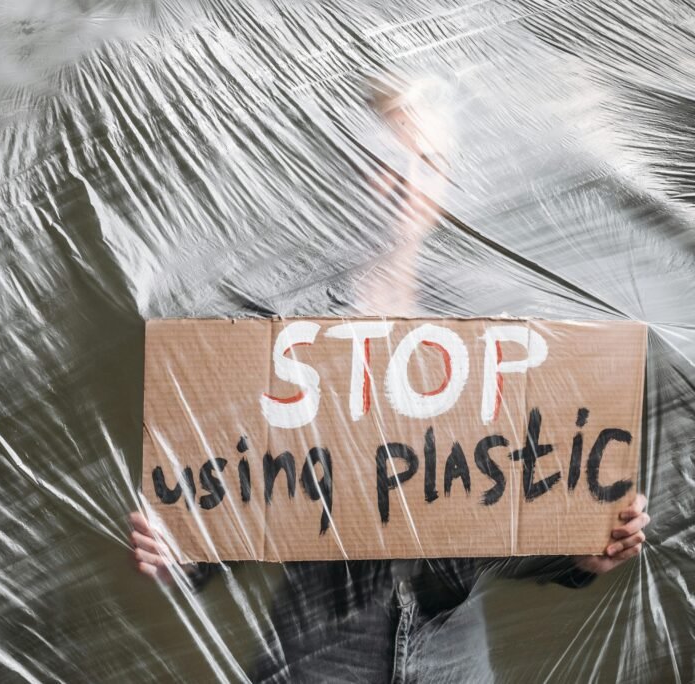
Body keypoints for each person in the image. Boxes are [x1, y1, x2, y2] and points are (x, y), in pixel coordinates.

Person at [128, 70, 653, 683]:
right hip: (319, 657)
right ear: (352, 169)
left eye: (427, 161)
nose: (405, 182)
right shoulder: (286, 332)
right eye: (385, 159)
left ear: (448, 181)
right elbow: (245, 491)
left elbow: (509, 493)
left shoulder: (495, 334)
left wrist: (583, 551)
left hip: (453, 659)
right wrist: (179, 549)